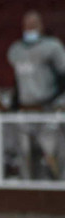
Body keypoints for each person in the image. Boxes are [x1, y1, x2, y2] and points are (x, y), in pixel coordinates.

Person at [7, 10, 65, 180]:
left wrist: (53, 98)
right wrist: (14, 103)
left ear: (41, 26)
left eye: (33, 25)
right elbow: (19, 79)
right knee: (28, 154)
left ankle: (60, 188)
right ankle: (31, 191)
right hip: (27, 111)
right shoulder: (16, 50)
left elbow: (63, 75)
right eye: (27, 25)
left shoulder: (52, 47)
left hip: (48, 109)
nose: (30, 28)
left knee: (53, 152)